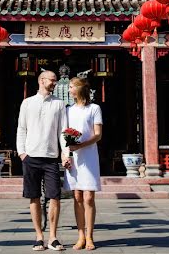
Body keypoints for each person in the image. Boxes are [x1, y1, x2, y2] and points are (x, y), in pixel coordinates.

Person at [17, 70, 68, 251]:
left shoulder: (59, 104)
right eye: (52, 80)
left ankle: (53, 237)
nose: (55, 83)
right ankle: (39, 236)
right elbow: (21, 129)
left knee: (54, 196)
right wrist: (22, 152)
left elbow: (64, 131)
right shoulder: (27, 103)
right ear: (42, 81)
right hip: (31, 156)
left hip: (51, 157)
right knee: (34, 197)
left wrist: (65, 152)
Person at [62, 77, 103, 251]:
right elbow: (62, 135)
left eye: (71, 87)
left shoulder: (94, 108)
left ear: (79, 89)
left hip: (89, 156)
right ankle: (80, 235)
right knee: (77, 196)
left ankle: (90, 236)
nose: (69, 89)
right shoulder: (67, 111)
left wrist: (80, 145)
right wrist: (65, 155)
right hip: (73, 157)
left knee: (88, 197)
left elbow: (98, 135)